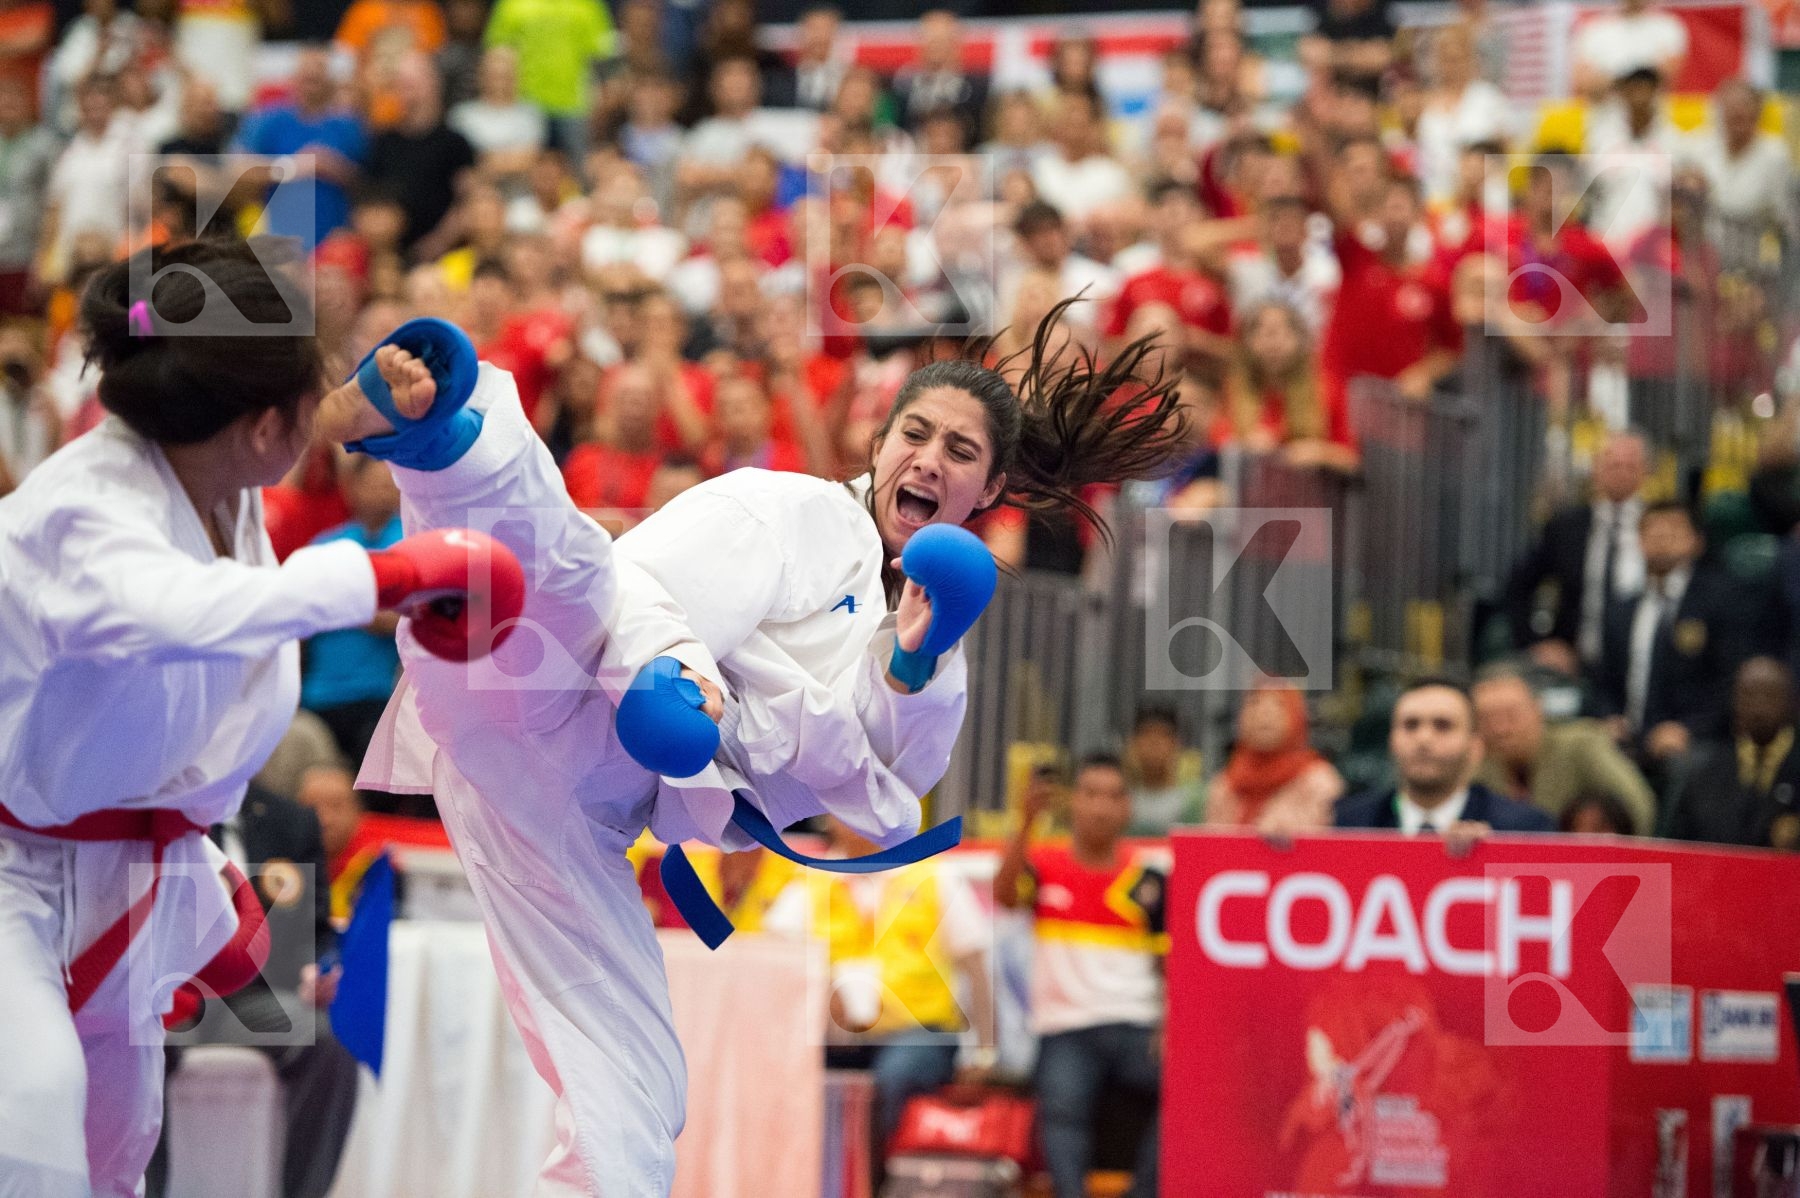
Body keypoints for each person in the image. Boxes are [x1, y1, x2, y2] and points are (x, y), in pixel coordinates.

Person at [329, 303, 1186, 1195]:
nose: (929, 459)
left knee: (639, 1088)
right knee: (578, 574)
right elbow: (641, 587)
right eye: (916, 434)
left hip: (574, 817)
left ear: (992, 485)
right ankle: (442, 433)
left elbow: (885, 799)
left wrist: (911, 665)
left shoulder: (932, 632)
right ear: (880, 443)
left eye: (960, 453)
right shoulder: (790, 510)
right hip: (562, 695)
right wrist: (677, 675)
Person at [0, 239, 522, 1197]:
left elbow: (264, 425)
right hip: (13, 878)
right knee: (31, 1123)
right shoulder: (78, 519)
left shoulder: (204, 463)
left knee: (116, 1150)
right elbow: (189, 613)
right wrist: (388, 574)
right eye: (304, 396)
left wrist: (353, 413)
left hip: (126, 866)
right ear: (255, 425)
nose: (316, 410)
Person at [762, 815, 996, 1184]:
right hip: (834, 1035)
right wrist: (821, 997)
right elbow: (774, 963)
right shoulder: (809, 883)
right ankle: (798, 1180)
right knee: (788, 1078)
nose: (858, 822)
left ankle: (870, 1183)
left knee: (893, 1079)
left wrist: (985, 1052)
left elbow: (978, 969)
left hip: (921, 1030)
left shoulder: (933, 877)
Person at [994, 754, 1165, 1198]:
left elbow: (1172, 968)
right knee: (1062, 1109)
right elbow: (1005, 896)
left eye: (1114, 796)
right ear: (1073, 803)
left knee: (1191, 1090)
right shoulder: (1044, 865)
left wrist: (1169, 1027)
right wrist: (1025, 824)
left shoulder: (1149, 881)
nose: (1101, 807)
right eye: (1090, 794)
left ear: (1129, 808)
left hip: (1136, 1026)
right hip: (1066, 1029)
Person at [1596, 501, 1747, 769]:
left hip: (1694, 741)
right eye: (1653, 532)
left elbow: (1730, 682)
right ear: (1639, 542)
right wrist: (1609, 717)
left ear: (1697, 542)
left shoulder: (1721, 601)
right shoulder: (1622, 608)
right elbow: (1601, 678)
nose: (1663, 539)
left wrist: (1688, 729)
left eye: (1674, 531)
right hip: (1626, 739)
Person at [1335, 678, 1556, 846]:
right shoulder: (1346, 825)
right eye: (1411, 725)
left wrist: (1496, 857)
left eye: (1443, 725)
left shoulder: (1523, 831)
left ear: (1475, 747)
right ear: (1391, 740)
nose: (1423, 739)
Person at [1505, 429, 1650, 675]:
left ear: (1645, 471)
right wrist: (1537, 643)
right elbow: (1519, 585)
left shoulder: (1657, 525)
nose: (1620, 472)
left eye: (1629, 465)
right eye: (1612, 464)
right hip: (1578, 661)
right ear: (1596, 469)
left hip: (1645, 662)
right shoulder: (1567, 526)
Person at [301, 454, 404, 764]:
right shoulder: (324, 545)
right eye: (372, 483)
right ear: (352, 487)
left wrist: (337, 603)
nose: (380, 492)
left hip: (379, 697)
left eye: (388, 484)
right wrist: (366, 606)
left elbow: (405, 618)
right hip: (316, 696)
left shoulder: (412, 543)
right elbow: (302, 609)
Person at [1471, 667, 1656, 834]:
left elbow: (1636, 807)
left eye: (1511, 716)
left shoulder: (1581, 745)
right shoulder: (1475, 762)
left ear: (1537, 709)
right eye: (1487, 720)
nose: (1500, 729)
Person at [1666, 657, 1800, 847]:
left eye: (1770, 695)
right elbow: (1677, 846)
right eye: (1749, 695)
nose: (1758, 708)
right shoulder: (1704, 774)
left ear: (1791, 702)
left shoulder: (1794, 767)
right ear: (1734, 701)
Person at [1205, 684, 1343, 834]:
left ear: (1296, 715)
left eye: (1278, 703)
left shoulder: (1319, 782)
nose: (1264, 713)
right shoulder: (1225, 786)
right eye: (1255, 702)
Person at [1123, 705, 1208, 834]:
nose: (1154, 743)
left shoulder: (1196, 799)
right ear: (1133, 743)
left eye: (1163, 735)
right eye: (1146, 734)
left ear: (1177, 744)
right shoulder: (1119, 797)